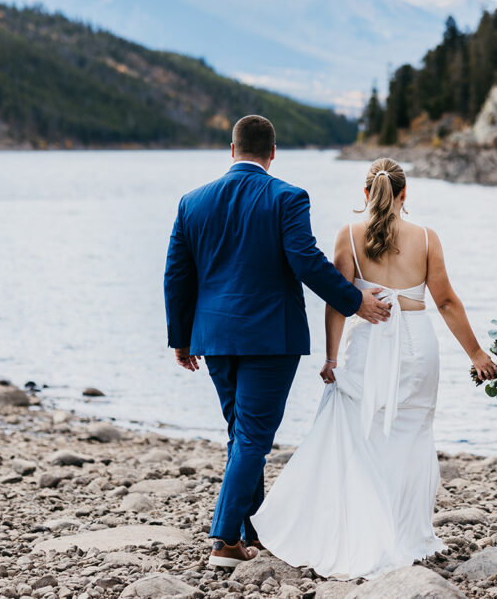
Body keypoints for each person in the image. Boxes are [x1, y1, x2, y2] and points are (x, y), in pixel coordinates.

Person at [251, 157, 497, 579]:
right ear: (405, 194)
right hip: (418, 346)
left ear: (366, 194)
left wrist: (330, 358)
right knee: (412, 434)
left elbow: (337, 301)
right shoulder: (426, 237)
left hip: (367, 343)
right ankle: (406, 533)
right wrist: (476, 354)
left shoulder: (348, 235)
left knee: (362, 435)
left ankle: (368, 529)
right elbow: (446, 302)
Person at [163, 115, 392, 568]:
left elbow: (176, 275)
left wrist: (181, 337)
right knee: (251, 438)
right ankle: (224, 539)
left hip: (213, 337)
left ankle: (254, 531)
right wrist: (354, 301)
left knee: (241, 435)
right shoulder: (287, 196)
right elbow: (305, 262)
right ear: (272, 153)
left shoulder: (192, 202)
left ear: (232, 151)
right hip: (269, 336)